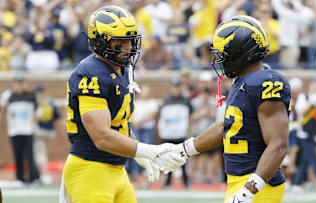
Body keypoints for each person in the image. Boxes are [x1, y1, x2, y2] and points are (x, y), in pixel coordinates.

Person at [60, 6, 185, 203]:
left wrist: (138, 153)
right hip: (90, 169)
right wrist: (147, 150)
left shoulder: (122, 68)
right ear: (99, 40)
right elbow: (101, 136)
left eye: (130, 40)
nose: (127, 47)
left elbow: (119, 124)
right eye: (120, 41)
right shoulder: (91, 72)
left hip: (117, 170)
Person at [167, 15, 291, 203]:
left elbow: (278, 144)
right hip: (241, 180)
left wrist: (249, 190)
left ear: (241, 52)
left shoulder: (265, 82)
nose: (220, 59)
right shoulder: (243, 81)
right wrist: (183, 150)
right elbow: (229, 126)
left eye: (224, 52)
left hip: (257, 183)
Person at [0, 75, 39, 185]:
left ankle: (32, 178)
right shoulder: (9, 97)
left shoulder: (31, 96)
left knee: (30, 155)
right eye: (17, 83)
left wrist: (34, 126)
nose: (19, 85)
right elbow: (4, 112)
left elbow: (35, 112)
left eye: (21, 83)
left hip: (28, 130)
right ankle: (20, 178)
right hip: (15, 130)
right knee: (18, 155)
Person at [34, 85, 61, 185]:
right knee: (44, 154)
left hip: (39, 131)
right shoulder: (50, 102)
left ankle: (44, 175)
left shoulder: (36, 102)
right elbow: (57, 117)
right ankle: (44, 174)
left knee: (40, 154)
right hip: (50, 131)